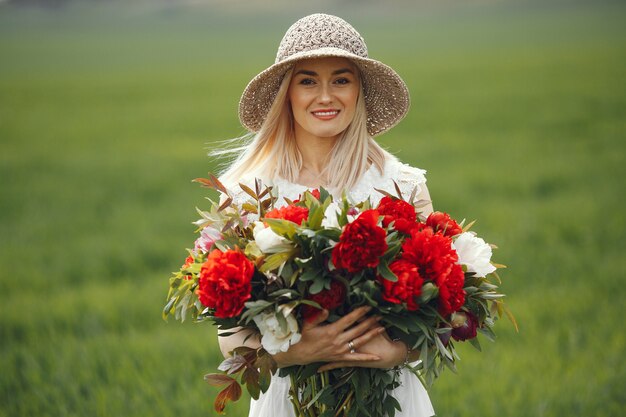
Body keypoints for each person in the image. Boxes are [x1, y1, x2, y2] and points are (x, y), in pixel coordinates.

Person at [216, 13, 435, 417]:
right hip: (285, 400)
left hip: (391, 398)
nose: (325, 96)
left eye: (341, 79)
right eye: (307, 81)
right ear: (287, 93)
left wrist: (397, 352)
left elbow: (440, 312)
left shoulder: (403, 187)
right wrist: (293, 353)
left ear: (359, 91)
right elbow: (229, 336)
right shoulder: (247, 192)